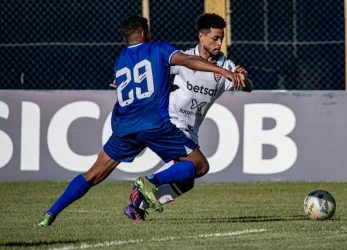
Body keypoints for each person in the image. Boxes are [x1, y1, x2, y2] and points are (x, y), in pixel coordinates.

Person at [37, 15, 243, 227]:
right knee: (199, 165)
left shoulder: (121, 59)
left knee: (93, 175)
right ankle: (150, 182)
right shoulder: (158, 49)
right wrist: (224, 71)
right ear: (144, 32)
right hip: (155, 124)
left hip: (124, 127)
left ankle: (50, 214)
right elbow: (190, 61)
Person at [123, 13, 253, 221]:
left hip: (191, 129)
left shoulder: (225, 66)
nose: (219, 43)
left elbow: (246, 88)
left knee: (187, 180)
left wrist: (244, 79)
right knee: (200, 166)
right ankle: (149, 181)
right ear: (201, 37)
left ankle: (137, 205)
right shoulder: (183, 58)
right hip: (171, 121)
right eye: (215, 38)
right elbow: (151, 68)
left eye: (222, 38)